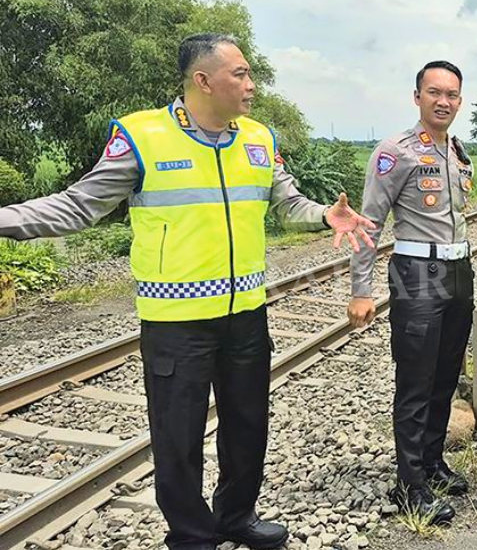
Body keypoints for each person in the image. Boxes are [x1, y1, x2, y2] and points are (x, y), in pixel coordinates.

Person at [0, 33, 373, 550]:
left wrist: (323, 215)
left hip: (246, 314)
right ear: (203, 80)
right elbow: (77, 205)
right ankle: (192, 536)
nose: (251, 85)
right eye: (240, 74)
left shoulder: (259, 139)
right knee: (178, 438)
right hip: (175, 323)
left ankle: (237, 517)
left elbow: (289, 204)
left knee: (248, 426)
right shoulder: (143, 136)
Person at [347, 61, 475, 525]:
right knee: (416, 381)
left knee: (444, 377)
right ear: (417, 96)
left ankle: (432, 461)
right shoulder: (395, 152)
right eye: (435, 92)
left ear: (460, 101)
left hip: (459, 272)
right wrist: (361, 289)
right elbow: (367, 225)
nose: (444, 101)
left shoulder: (459, 152)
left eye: (453, 94)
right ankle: (410, 483)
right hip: (416, 273)